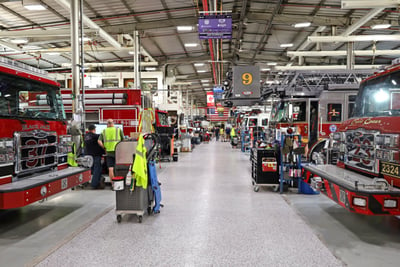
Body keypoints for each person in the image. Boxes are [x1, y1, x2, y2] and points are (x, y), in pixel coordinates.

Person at [98, 119, 124, 185]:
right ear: (113, 123)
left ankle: (113, 184)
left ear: (107, 124)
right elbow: (123, 141)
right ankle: (119, 182)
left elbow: (99, 141)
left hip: (109, 152)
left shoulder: (104, 131)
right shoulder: (118, 130)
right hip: (118, 152)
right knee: (119, 167)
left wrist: (104, 147)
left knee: (110, 169)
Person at [85, 124, 105, 189]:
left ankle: (98, 181)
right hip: (96, 155)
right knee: (97, 169)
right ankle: (94, 184)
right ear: (94, 129)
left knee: (93, 170)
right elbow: (101, 137)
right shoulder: (95, 136)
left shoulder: (86, 136)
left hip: (88, 155)